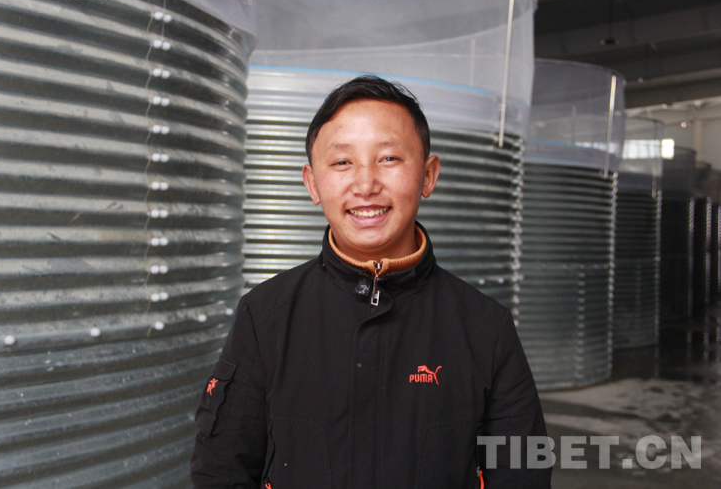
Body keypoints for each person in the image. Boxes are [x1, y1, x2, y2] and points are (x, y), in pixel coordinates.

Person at [191, 75, 551, 488]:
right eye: (342, 163)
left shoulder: (486, 328)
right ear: (312, 183)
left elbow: (523, 473)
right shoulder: (265, 316)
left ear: (428, 175)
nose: (365, 185)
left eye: (389, 158)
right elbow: (221, 471)